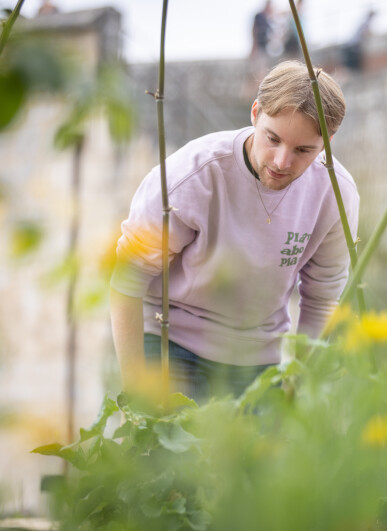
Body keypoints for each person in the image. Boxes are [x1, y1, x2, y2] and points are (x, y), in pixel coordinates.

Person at [110, 61, 358, 402]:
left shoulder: (337, 193)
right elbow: (128, 278)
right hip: (171, 342)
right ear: (255, 113)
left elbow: (323, 298)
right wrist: (135, 392)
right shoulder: (192, 175)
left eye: (303, 150)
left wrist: (297, 388)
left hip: (259, 358)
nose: (282, 162)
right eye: (272, 139)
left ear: (328, 141)